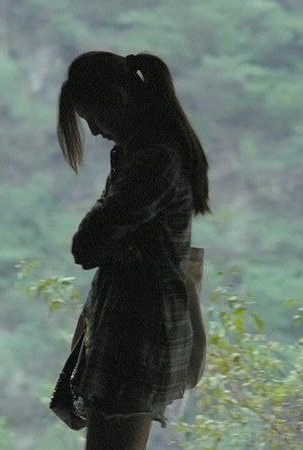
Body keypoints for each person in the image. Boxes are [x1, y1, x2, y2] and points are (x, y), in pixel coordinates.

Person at [55, 51, 210, 449]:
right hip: (130, 324)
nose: (94, 131)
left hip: (137, 331)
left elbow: (87, 245)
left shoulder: (155, 160)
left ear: (118, 101)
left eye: (94, 117)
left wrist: (111, 241)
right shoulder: (139, 155)